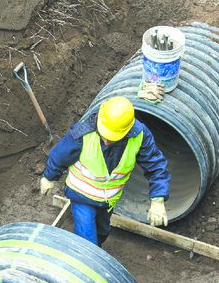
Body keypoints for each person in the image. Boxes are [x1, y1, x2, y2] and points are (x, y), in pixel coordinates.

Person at [39, 96, 171, 246]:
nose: (107, 141)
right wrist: (49, 177)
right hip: (81, 195)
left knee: (102, 232)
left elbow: (155, 165)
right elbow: (61, 154)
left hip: (109, 200)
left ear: (126, 131)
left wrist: (158, 198)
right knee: (87, 241)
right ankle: (86, 261)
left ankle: (96, 255)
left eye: (113, 137)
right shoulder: (83, 133)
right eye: (105, 135)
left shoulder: (139, 135)